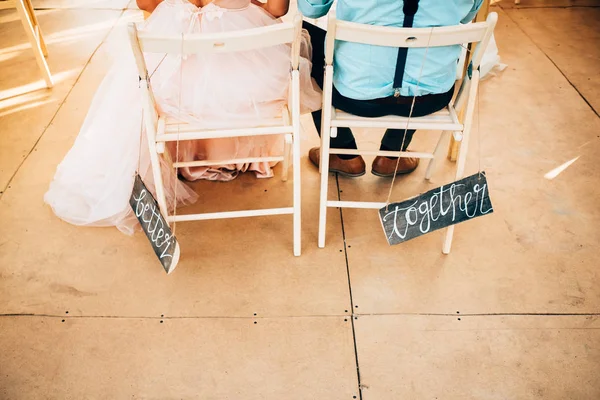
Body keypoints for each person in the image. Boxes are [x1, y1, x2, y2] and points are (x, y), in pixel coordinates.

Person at [44, 0, 320, 234]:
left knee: (155, 80)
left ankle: (185, 153)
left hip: (176, 97)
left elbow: (146, 4)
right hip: (241, 94)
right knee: (259, 69)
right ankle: (235, 152)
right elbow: (278, 9)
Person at [298, 0, 484, 177]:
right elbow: (467, 16)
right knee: (421, 63)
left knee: (301, 35)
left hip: (353, 97)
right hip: (428, 99)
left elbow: (311, 9)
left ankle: (343, 153)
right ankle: (392, 154)